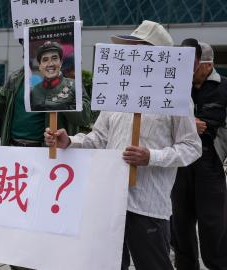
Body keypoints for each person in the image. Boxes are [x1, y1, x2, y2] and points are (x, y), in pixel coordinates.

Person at [44, 20, 202, 270]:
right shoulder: (116, 94)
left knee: (154, 265)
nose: (130, 54)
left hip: (148, 205)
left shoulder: (176, 97)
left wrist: (151, 156)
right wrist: (70, 141)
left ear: (158, 54)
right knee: (110, 264)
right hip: (111, 200)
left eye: (137, 47)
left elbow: (192, 147)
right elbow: (98, 139)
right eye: (129, 48)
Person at [0, 39, 91, 270]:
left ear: (61, 59)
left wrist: (62, 95)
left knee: (45, 220)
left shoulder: (71, 84)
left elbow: (85, 118)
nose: (48, 61)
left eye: (54, 57)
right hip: (15, 156)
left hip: (47, 159)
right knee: (16, 219)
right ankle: (18, 264)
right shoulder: (17, 78)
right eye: (36, 52)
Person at [171, 39, 227, 270]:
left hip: (210, 164)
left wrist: (220, 153)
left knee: (213, 226)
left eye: (192, 66)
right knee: (180, 225)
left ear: (207, 65)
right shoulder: (175, 86)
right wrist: (187, 124)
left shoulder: (224, 87)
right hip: (180, 164)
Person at [30, 41, 76, 111]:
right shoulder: (34, 91)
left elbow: (84, 118)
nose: (50, 64)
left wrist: (64, 107)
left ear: (61, 62)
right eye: (45, 60)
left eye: (54, 58)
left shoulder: (75, 86)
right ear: (39, 66)